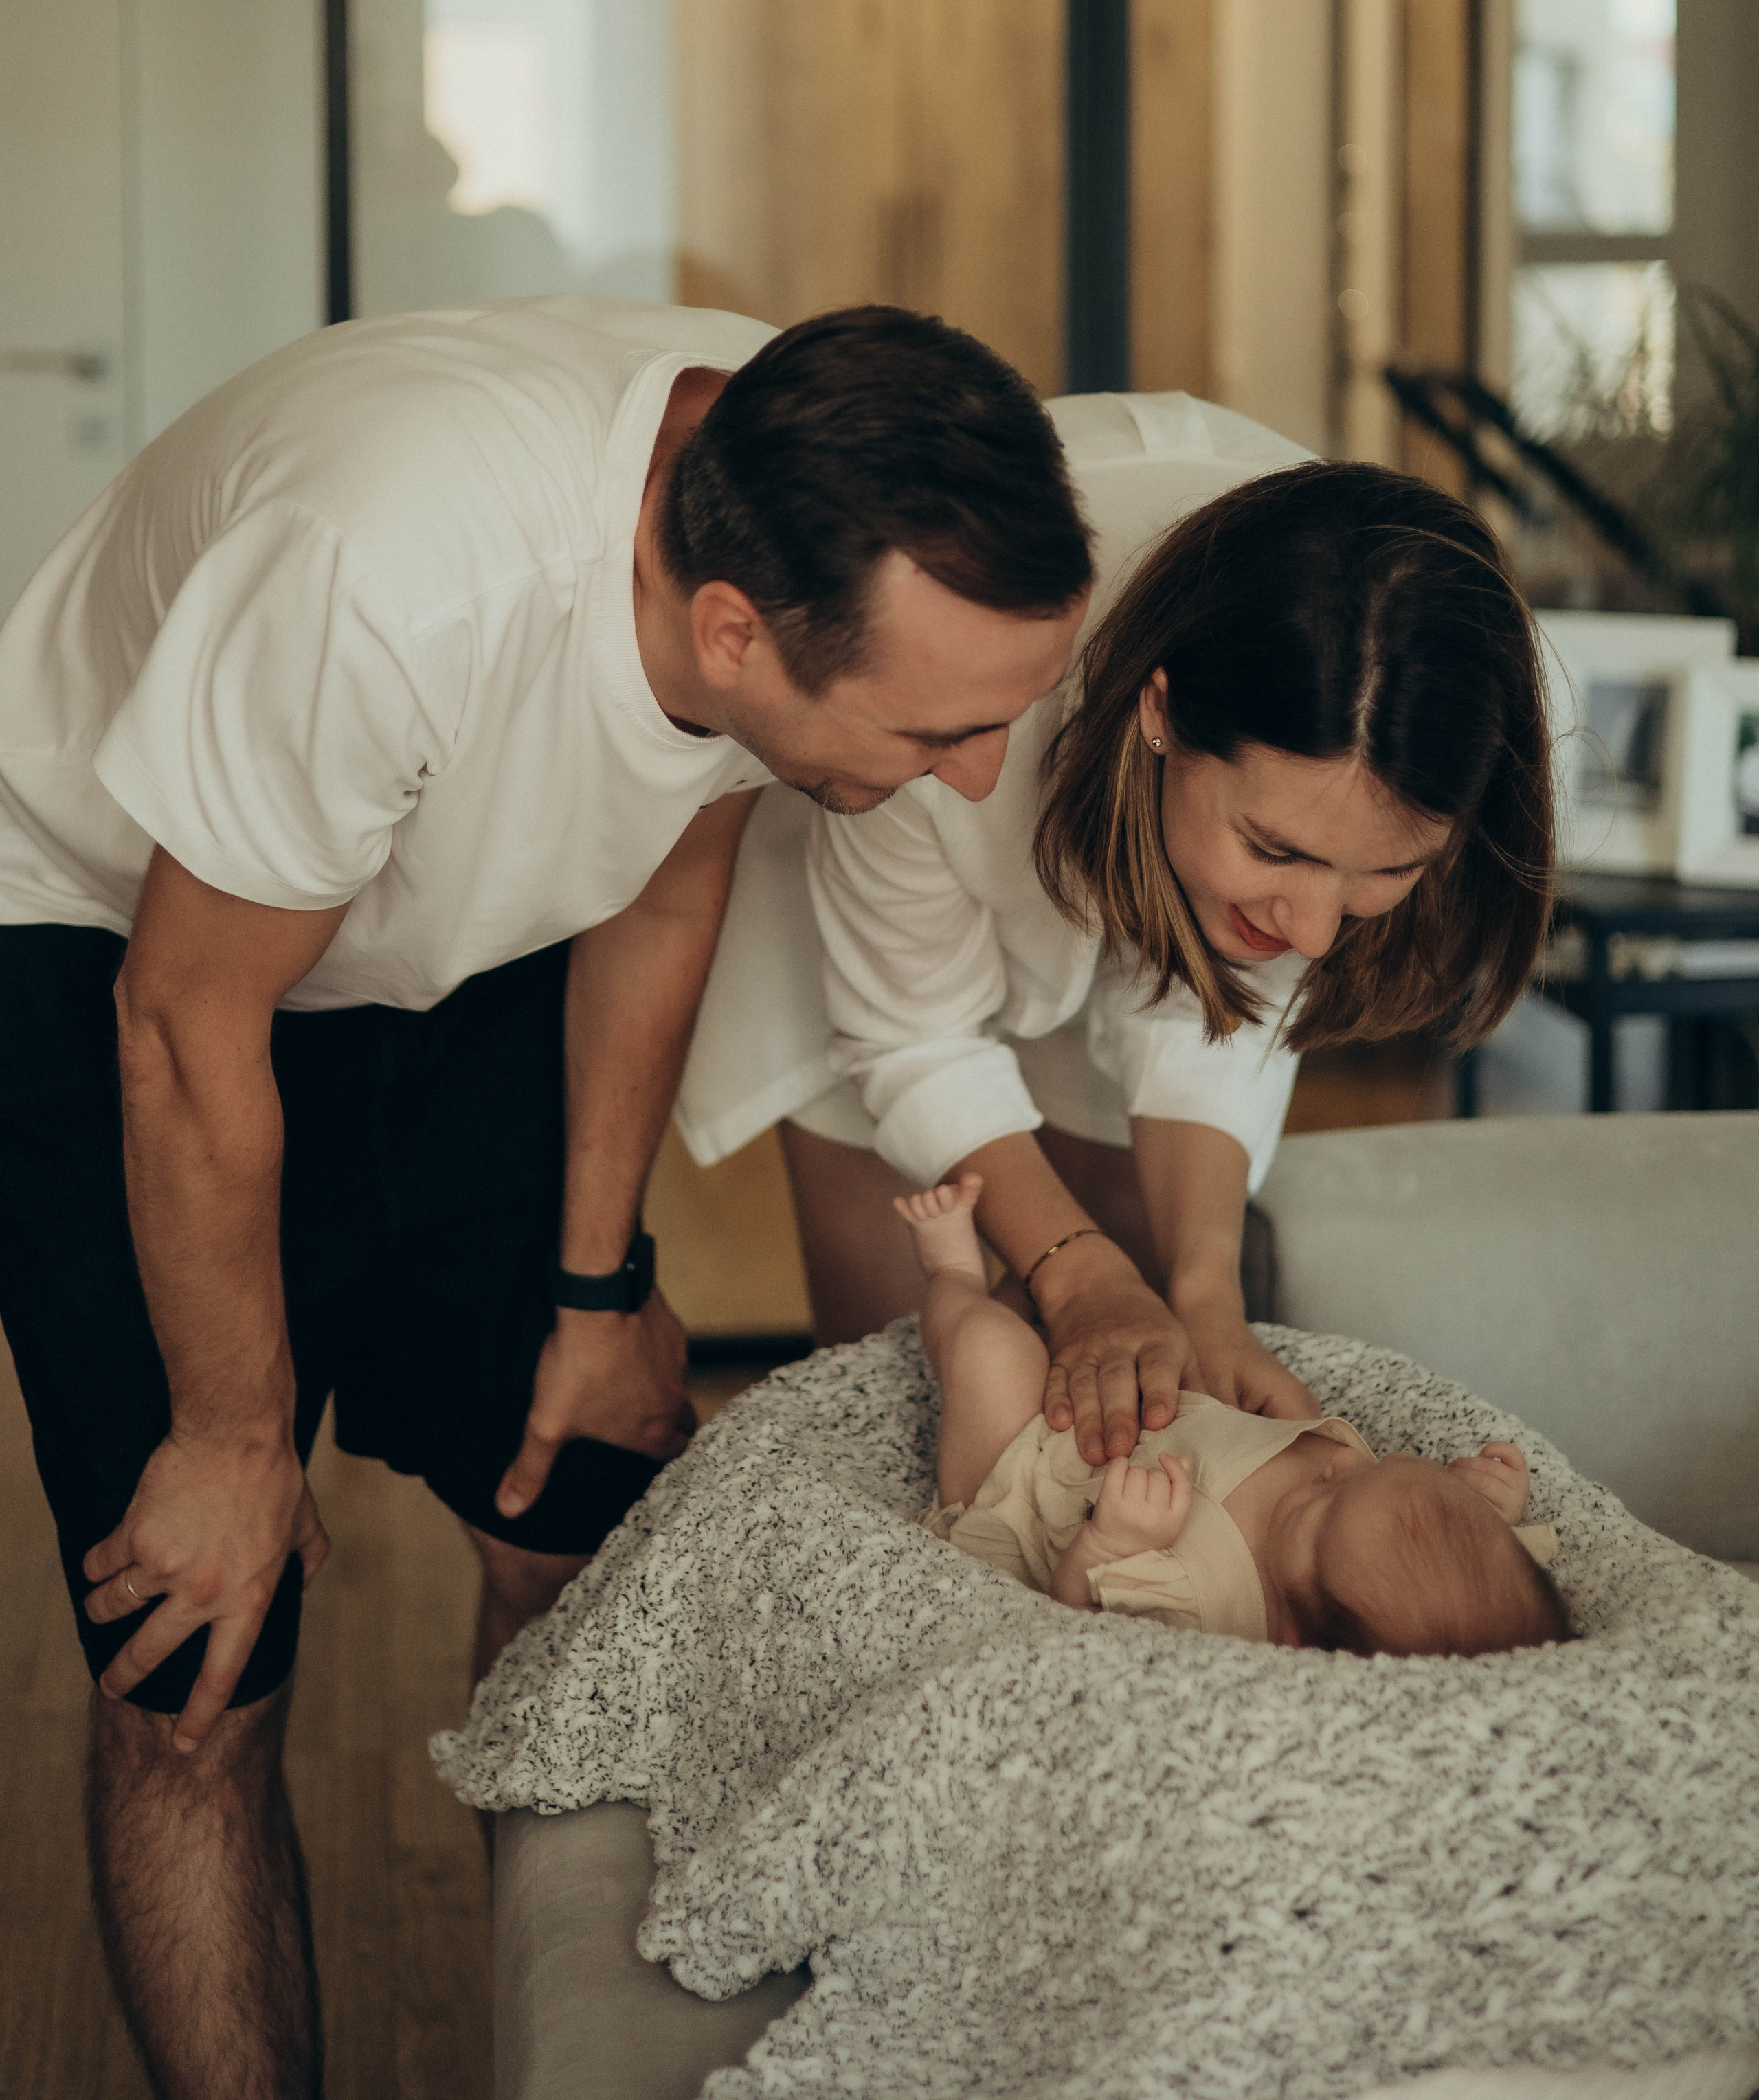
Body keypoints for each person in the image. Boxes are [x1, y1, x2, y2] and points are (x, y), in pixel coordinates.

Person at [0, 294, 1095, 2100]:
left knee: (580, 1515)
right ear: (732, 631)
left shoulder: (791, 474)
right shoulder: (391, 580)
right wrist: (227, 1430)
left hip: (441, 910)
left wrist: (600, 1291)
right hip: (118, 939)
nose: (975, 778)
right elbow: (190, 1025)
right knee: (196, 1662)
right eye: (939, 733)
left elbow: (669, 881)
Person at [679, 401, 1554, 1465]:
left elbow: (1217, 1020)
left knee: (1141, 1357)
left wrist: (1206, 1296)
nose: (1318, 935)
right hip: (889, 917)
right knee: (905, 1408)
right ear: (1161, 713)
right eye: (1278, 853)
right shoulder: (953, 681)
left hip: (1139, 865)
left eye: (1391, 872)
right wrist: (1072, 1265)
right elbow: (916, 1038)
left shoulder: (1407, 677)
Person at [899, 1173, 1569, 1658]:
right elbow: (1466, 1573)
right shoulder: (1398, 1543)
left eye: (1316, 1505)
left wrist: (1108, 1544)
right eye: (1364, 1471)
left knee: (989, 1347)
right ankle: (1032, 1288)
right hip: (1139, 1404)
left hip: (1026, 1480)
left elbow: (1069, 1633)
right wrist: (1485, 1505)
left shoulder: (1204, 1611)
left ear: (1292, 1641)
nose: (1334, 1466)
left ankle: (950, 1273)